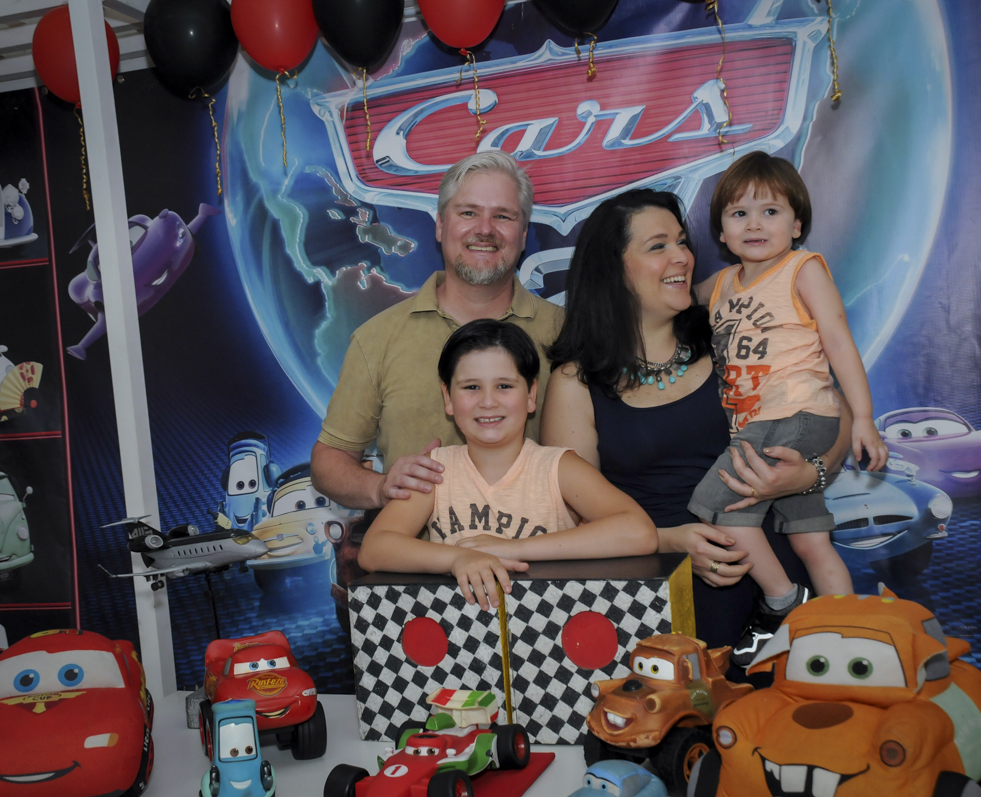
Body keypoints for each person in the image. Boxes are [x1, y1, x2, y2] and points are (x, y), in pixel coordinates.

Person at [542, 188, 851, 664]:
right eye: (658, 245)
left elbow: (834, 412)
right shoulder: (575, 381)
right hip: (663, 602)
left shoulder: (730, 328)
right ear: (613, 268)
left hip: (783, 586)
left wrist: (811, 475)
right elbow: (574, 515)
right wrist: (671, 538)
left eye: (683, 242)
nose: (682, 257)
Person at [687, 152, 887, 665]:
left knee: (722, 509)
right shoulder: (723, 285)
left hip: (797, 415)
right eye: (739, 214)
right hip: (764, 425)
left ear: (796, 224)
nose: (755, 224)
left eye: (770, 212)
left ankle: (781, 603)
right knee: (811, 540)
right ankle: (854, 634)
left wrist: (862, 417)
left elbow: (840, 342)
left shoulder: (802, 269)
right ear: (722, 233)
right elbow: (676, 296)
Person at [310, 152, 562, 511]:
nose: (485, 229)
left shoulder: (565, 333)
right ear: (441, 226)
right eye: (468, 212)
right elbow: (329, 459)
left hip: (539, 557)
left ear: (523, 235)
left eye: (503, 216)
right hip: (417, 561)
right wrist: (381, 488)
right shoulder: (378, 338)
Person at [358, 320, 659, 608]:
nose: (488, 401)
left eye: (504, 386)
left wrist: (508, 549)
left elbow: (640, 532)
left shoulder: (558, 467)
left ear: (531, 395)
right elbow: (374, 549)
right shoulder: (436, 470)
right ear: (447, 398)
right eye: (471, 387)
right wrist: (455, 559)